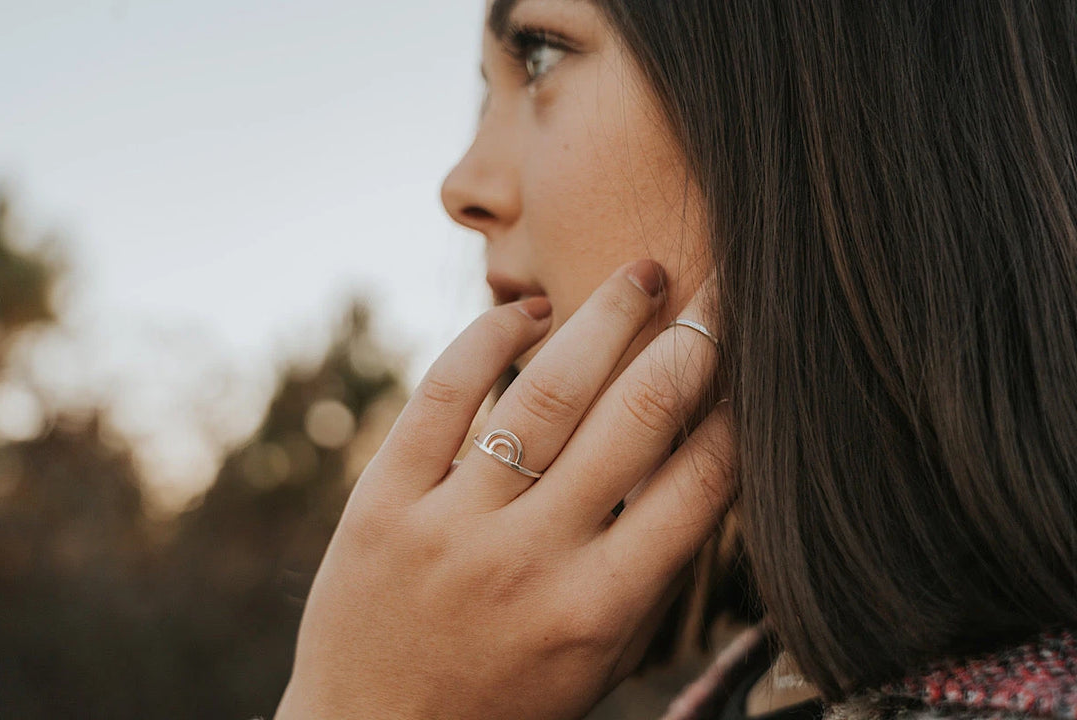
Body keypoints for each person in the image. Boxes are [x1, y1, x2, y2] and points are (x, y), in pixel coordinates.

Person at [275, 1, 1077, 718]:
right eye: (487, 92)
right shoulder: (758, 680)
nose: (463, 188)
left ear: (814, 83)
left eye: (542, 55)